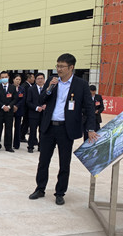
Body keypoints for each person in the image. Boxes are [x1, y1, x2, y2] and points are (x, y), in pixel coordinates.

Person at [29, 53, 98, 205]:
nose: (59, 69)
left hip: (66, 129)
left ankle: (60, 192)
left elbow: (89, 107)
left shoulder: (81, 84)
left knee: (64, 163)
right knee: (43, 161)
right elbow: (41, 100)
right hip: (48, 127)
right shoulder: (52, 81)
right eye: (57, 66)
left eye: (62, 66)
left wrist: (90, 128)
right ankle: (40, 188)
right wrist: (49, 88)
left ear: (71, 67)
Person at [0, 71, 17, 152]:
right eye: (2, 77)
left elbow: (15, 99)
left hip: (9, 112)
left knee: (9, 129)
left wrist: (9, 106)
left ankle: (8, 146)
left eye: (5, 77)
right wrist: (3, 106)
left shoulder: (13, 87)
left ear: (8, 77)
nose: (4, 79)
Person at [26, 72, 46, 153]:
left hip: (44, 114)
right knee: (32, 131)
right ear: (35, 80)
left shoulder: (47, 89)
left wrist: (46, 105)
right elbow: (28, 102)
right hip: (33, 114)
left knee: (42, 131)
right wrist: (36, 108)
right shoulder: (31, 89)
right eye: (38, 79)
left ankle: (41, 146)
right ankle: (30, 146)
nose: (40, 80)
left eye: (42, 78)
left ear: (44, 80)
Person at [12, 74, 26, 150]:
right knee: (9, 127)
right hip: (10, 109)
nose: (18, 81)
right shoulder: (10, 87)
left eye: (19, 80)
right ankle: (8, 143)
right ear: (13, 80)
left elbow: (23, 99)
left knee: (17, 127)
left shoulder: (22, 89)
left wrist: (17, 106)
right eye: (16, 79)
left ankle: (16, 144)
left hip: (19, 110)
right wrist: (12, 106)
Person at [20, 73, 35, 140]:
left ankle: (22, 135)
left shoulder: (29, 85)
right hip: (26, 108)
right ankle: (22, 136)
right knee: (26, 122)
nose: (34, 79)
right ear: (29, 78)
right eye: (33, 77)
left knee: (25, 122)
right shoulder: (26, 86)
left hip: (27, 108)